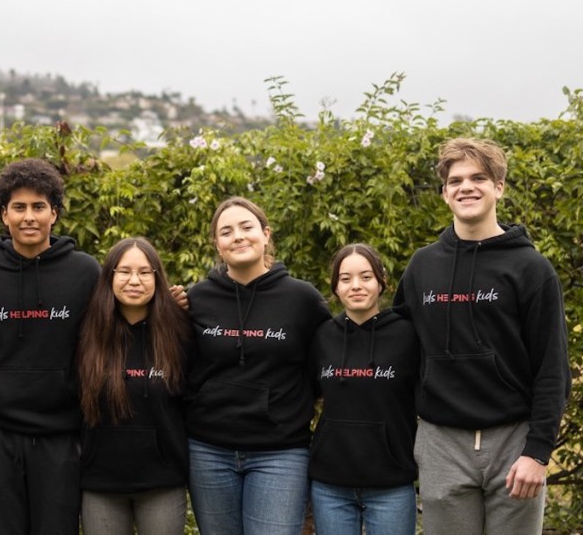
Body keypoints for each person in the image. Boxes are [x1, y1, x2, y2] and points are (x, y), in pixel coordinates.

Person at [393, 137, 570, 535]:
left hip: (513, 441)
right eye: (455, 181)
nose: (466, 187)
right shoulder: (422, 266)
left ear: (498, 187)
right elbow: (399, 349)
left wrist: (538, 453)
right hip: (441, 442)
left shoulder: (531, 269)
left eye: (478, 178)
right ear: (444, 193)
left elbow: (552, 368)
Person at [0, 158, 101, 535]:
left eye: (39, 206)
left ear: (54, 213)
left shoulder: (85, 273)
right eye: (18, 207)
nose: (29, 217)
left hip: (61, 437)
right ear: (4, 215)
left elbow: (107, 341)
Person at [185, 196, 331, 534]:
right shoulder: (197, 299)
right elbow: (182, 365)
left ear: (266, 234)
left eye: (246, 227)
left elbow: (323, 368)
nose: (238, 236)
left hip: (280, 453)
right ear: (217, 245)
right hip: (208, 451)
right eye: (226, 231)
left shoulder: (303, 299)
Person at [76, 237, 192, 535]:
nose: (134, 281)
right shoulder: (86, 332)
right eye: (124, 271)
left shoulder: (180, 331)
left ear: (157, 278)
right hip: (100, 483)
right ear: (109, 277)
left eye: (144, 272)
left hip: (162, 482)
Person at [308, 243, 419, 535]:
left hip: (391, 483)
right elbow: (307, 395)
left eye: (366, 277)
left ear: (382, 282)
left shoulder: (408, 335)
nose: (356, 286)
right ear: (335, 287)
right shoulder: (322, 336)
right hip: (330, 485)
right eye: (346, 279)